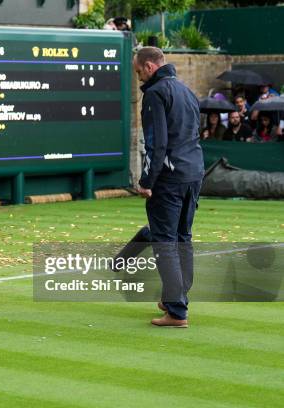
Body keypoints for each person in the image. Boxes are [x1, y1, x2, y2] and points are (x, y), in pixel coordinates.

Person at [134, 46, 204, 328]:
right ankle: (175, 297)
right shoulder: (187, 91)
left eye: (139, 71)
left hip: (170, 178)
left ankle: (176, 311)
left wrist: (147, 181)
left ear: (150, 66)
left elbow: (157, 143)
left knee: (165, 242)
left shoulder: (154, 94)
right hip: (194, 172)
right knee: (182, 238)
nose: (138, 77)